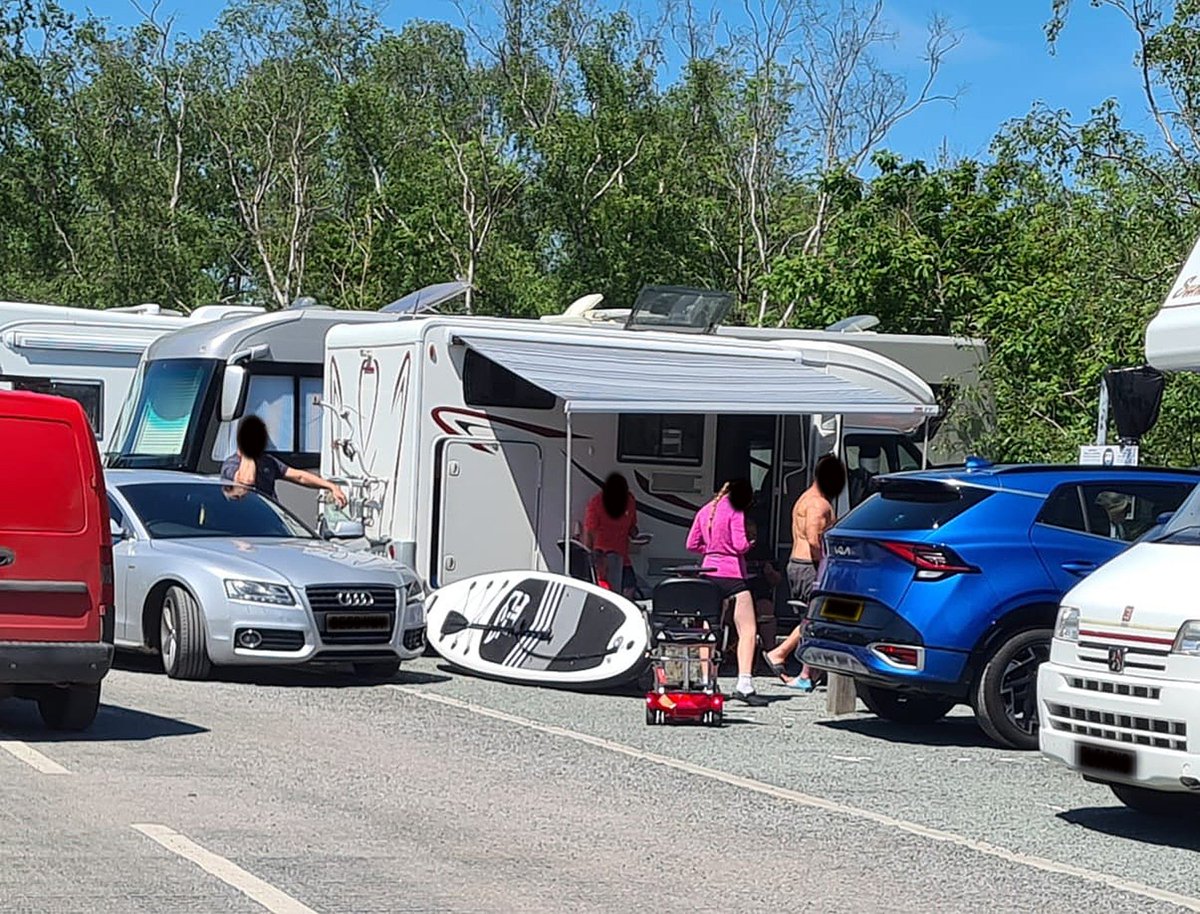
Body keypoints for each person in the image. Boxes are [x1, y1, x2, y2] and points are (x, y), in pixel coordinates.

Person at [764, 454, 847, 690]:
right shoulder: (818, 505)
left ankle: (808, 673)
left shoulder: (806, 498)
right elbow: (813, 540)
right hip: (809, 566)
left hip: (799, 564)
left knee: (813, 617)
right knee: (815, 617)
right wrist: (830, 563)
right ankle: (780, 654)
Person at [686, 478, 766, 706]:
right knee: (748, 629)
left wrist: (711, 550)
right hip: (732, 574)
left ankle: (706, 681)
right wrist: (749, 543)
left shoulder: (705, 511)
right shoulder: (736, 511)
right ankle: (744, 684)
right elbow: (740, 545)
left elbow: (691, 544)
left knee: (708, 630)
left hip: (708, 572)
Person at [222, 415, 348, 507]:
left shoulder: (268, 461)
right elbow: (247, 480)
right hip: (242, 526)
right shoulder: (231, 465)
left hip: (269, 522)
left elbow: (299, 476)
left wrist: (331, 486)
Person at [583, 472, 639, 598]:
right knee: (609, 593)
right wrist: (588, 557)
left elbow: (632, 527)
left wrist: (636, 534)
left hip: (623, 557)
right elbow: (589, 532)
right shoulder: (597, 503)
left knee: (630, 587)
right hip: (604, 557)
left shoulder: (629, 501)